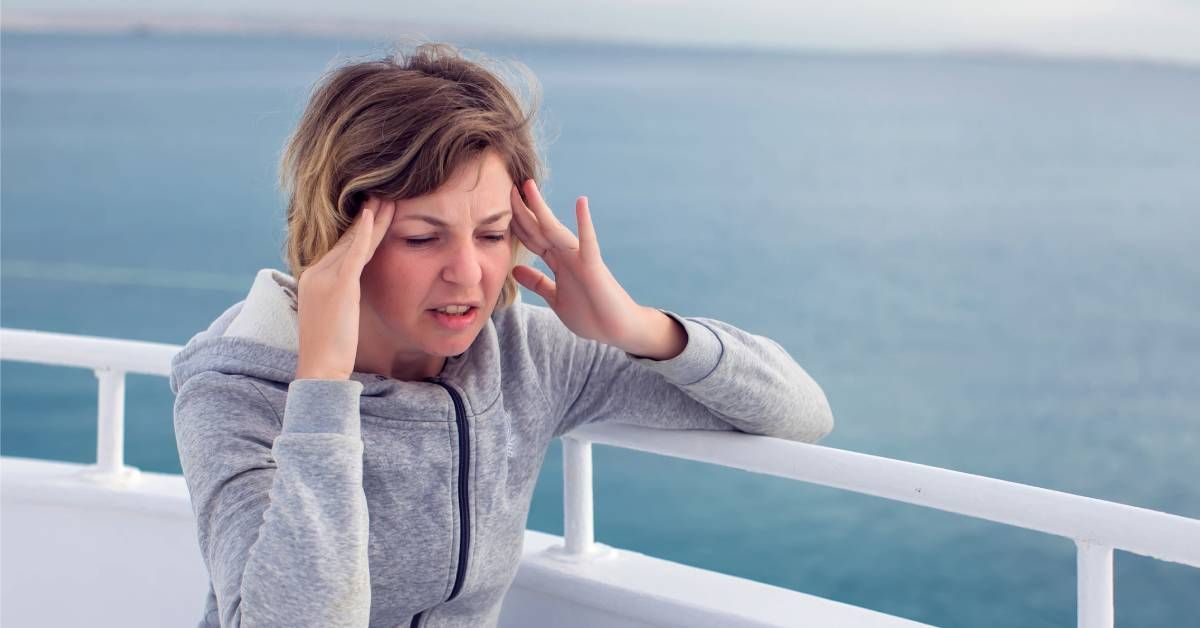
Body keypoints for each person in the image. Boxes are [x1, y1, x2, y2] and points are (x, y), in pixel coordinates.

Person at [170, 41, 835, 628]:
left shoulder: (522, 353)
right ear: (341, 237)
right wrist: (321, 389)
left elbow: (803, 413)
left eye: (492, 234)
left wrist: (634, 326)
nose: (469, 274)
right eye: (424, 238)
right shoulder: (238, 386)